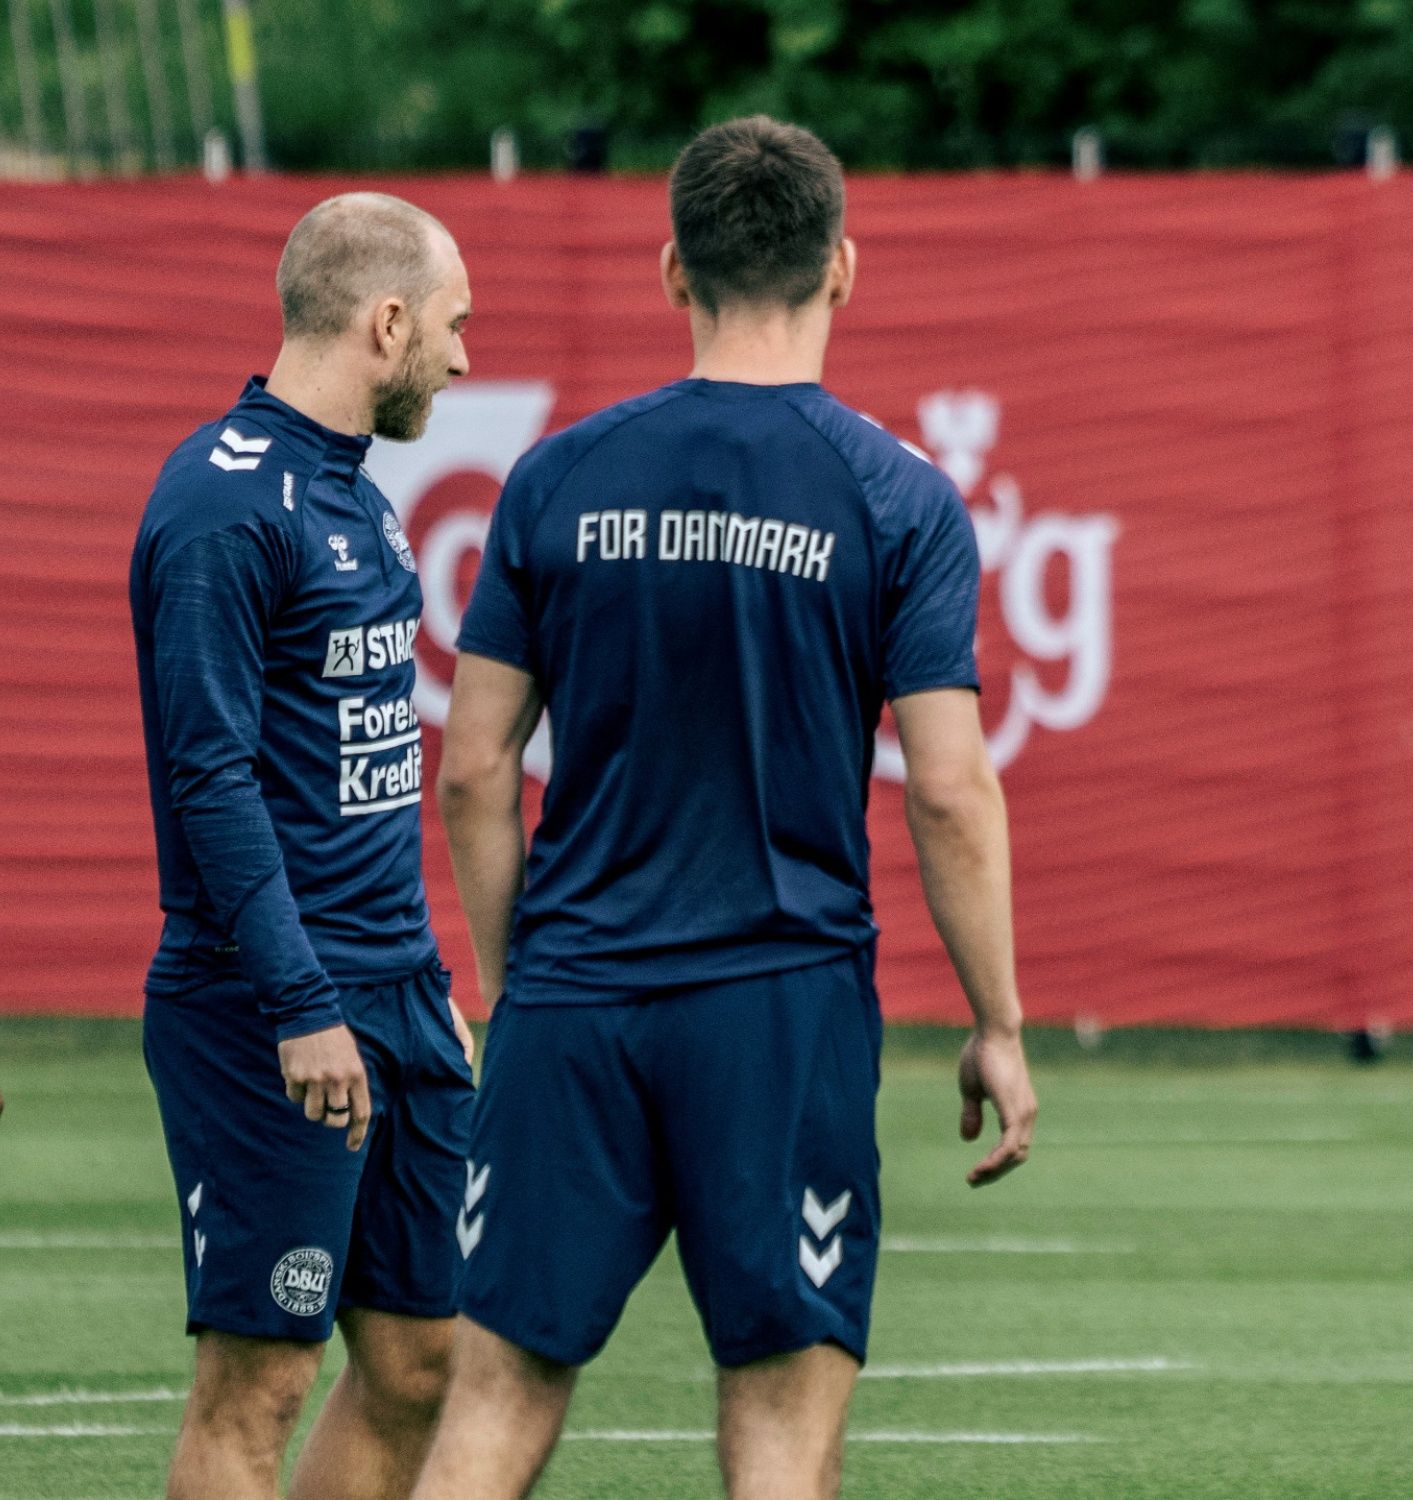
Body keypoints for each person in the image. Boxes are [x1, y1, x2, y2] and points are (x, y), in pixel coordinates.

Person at [412, 116, 1038, 1500]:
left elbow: (470, 770)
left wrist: (524, 987)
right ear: (844, 270)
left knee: (496, 1400)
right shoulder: (900, 499)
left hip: (574, 1005)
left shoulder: (555, 477)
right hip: (777, 1004)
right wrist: (996, 1021)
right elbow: (948, 787)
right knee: (778, 1427)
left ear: (670, 272)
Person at [129, 192, 479, 1500]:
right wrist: (302, 998)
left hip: (395, 994)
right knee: (258, 1386)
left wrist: (418, 981)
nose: (462, 356)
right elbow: (209, 774)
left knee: (421, 1362)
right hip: (267, 1007)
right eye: (452, 325)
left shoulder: (359, 499)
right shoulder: (223, 505)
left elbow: (358, 783)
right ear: (385, 321)